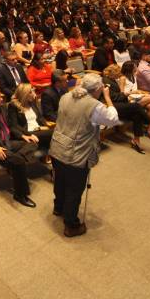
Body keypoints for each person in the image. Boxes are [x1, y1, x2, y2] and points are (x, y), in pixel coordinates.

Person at [49, 73, 120, 237]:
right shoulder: (95, 105)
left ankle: (58, 208)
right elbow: (113, 119)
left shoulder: (65, 96)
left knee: (60, 181)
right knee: (74, 189)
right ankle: (71, 225)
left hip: (58, 146)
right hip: (75, 153)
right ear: (97, 90)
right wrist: (108, 98)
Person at [101, 65, 149, 153]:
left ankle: (136, 141)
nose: (120, 75)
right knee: (137, 106)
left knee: (137, 114)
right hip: (110, 105)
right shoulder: (105, 81)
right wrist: (127, 94)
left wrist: (124, 93)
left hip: (119, 104)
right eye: (118, 73)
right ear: (112, 73)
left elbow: (119, 95)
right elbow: (114, 97)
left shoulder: (113, 80)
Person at [7, 84, 52, 151]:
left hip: (39, 129)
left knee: (55, 131)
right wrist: (27, 134)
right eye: (30, 92)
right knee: (54, 133)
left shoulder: (31, 102)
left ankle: (46, 153)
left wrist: (46, 124)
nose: (34, 94)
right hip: (27, 132)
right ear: (24, 94)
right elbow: (14, 125)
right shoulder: (13, 106)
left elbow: (40, 117)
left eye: (33, 91)